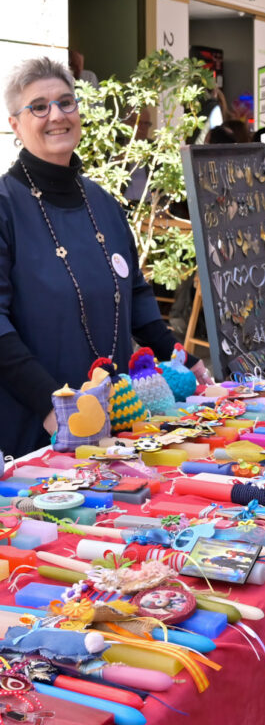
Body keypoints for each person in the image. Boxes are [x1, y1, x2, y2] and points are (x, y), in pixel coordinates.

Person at [0, 57, 212, 458]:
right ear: (15, 123)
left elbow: (135, 297)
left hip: (113, 424)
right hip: (34, 427)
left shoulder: (103, 203)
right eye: (39, 107)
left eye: (66, 102)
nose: (57, 116)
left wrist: (186, 362)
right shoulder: (5, 207)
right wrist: (52, 407)